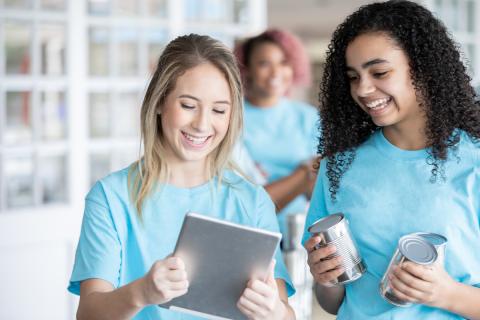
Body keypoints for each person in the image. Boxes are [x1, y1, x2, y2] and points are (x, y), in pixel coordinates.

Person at [68, 34, 295, 320]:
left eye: (219, 110)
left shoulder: (253, 201)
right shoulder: (111, 197)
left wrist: (273, 312)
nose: (202, 124)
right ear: (160, 102)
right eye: (188, 105)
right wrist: (142, 293)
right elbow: (88, 314)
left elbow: (286, 314)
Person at [302, 1, 480, 319]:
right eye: (353, 77)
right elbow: (332, 303)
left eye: (379, 72)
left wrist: (448, 295)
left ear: (424, 67)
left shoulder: (474, 162)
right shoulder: (338, 167)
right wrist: (326, 280)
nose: (364, 89)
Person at [234, 28, 319, 239]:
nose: (275, 73)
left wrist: (306, 178)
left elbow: (320, 184)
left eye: (284, 62)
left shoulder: (307, 117)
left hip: (301, 232)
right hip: (251, 230)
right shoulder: (232, 118)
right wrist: (303, 174)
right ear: (247, 69)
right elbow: (247, 201)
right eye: (264, 63)